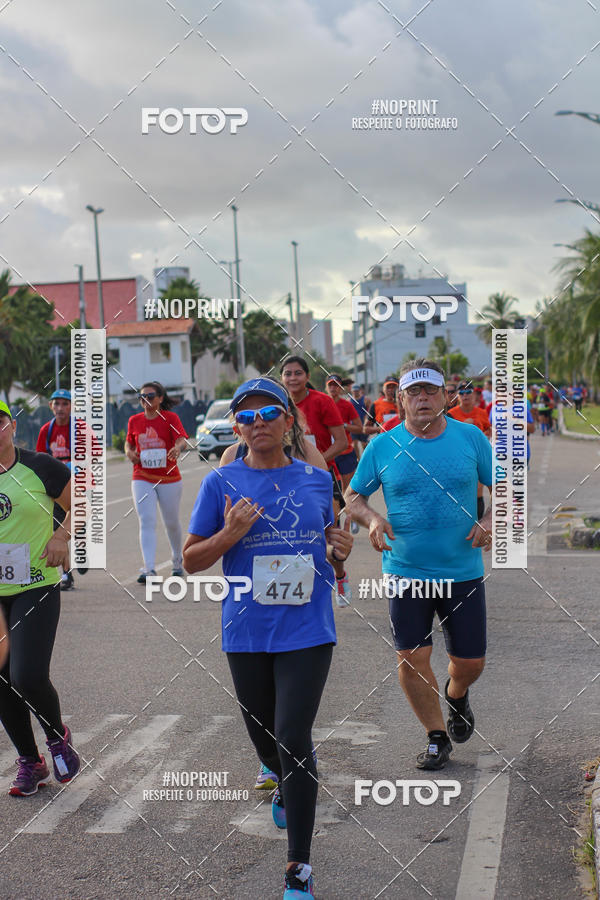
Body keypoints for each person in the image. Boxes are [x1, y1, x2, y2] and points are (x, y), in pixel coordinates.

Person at [184, 377, 353, 899]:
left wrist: (340, 550)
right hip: (247, 630)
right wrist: (229, 535)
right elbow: (191, 561)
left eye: (269, 414)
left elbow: (332, 543)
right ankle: (282, 772)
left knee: (293, 737)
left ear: (288, 422)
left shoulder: (315, 478)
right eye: (247, 416)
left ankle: (298, 869)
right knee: (268, 740)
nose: (258, 423)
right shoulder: (220, 483)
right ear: (236, 426)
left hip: (308, 629)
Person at [344, 359, 492, 771]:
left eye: (430, 391)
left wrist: (490, 520)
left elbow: (510, 486)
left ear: (445, 397)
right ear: (401, 399)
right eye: (414, 392)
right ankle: (435, 736)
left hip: (462, 570)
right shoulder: (383, 446)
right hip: (405, 570)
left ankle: (457, 694)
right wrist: (373, 519)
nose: (422, 398)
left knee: (470, 663)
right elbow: (352, 496)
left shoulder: (470, 437)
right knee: (411, 656)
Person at [0, 400, 80, 796]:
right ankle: (31, 762)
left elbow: (83, 503)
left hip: (35, 583)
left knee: (26, 675)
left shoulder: (41, 466)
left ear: (12, 425)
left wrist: (62, 535)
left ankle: (56, 737)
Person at [280, 357, 352, 605]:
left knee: (329, 538)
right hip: (287, 481)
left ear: (308, 377)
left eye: (298, 373)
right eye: (287, 374)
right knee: (293, 536)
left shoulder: (322, 401)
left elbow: (342, 442)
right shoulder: (278, 405)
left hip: (321, 480)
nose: (292, 378)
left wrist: (314, 462)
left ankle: (340, 576)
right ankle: (302, 591)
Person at [125, 382, 189, 583]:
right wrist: (129, 452)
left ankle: (177, 560)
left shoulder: (170, 418)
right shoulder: (134, 420)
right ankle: (149, 569)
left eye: (150, 396)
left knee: (170, 522)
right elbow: (129, 442)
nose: (146, 400)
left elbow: (182, 439)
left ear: (161, 398)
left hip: (169, 478)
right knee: (147, 521)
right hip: (142, 476)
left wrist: (177, 448)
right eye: (142, 397)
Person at [36, 389, 77, 590]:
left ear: (71, 407)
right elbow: (40, 460)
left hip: (78, 485)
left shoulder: (80, 430)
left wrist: (76, 466)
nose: (60, 408)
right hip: (56, 488)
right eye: (57, 404)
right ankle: (67, 574)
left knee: (78, 527)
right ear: (51, 406)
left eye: (65, 404)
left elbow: (94, 456)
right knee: (57, 529)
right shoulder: (46, 430)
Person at [447, 382, 491, 519]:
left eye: (468, 392)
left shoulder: (482, 413)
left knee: (478, 490)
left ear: (474, 395)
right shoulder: (451, 414)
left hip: (477, 457)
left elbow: (488, 430)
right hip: (457, 458)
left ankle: (478, 524)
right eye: (461, 393)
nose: (465, 395)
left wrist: (483, 436)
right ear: (458, 396)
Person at [324, 375, 362, 491]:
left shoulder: (347, 405)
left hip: (345, 453)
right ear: (326, 387)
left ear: (340, 388)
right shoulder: (321, 403)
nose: (333, 388)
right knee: (330, 488)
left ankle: (345, 509)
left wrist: (343, 425)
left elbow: (359, 428)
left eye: (336, 385)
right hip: (327, 452)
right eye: (330, 385)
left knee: (346, 489)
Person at [349, 384, 370, 458]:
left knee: (364, 444)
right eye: (354, 391)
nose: (355, 392)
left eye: (357, 391)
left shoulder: (365, 399)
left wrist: (367, 422)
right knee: (354, 444)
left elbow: (369, 412)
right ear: (351, 391)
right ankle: (358, 459)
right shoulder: (349, 400)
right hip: (353, 425)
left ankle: (366, 458)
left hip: (363, 424)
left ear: (359, 391)